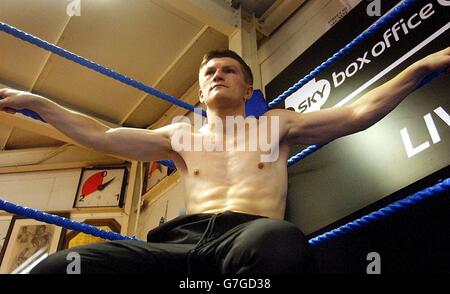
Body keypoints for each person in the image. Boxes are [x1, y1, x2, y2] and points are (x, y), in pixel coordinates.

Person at [0, 47, 449, 274]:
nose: (219, 76)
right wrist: (39, 102)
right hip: (178, 246)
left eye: (228, 70)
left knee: (281, 243)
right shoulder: (179, 136)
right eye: (210, 73)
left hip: (247, 238)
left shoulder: (275, 125)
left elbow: (356, 113)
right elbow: (101, 135)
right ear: (201, 93)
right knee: (63, 266)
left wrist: (423, 67)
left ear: (247, 90)